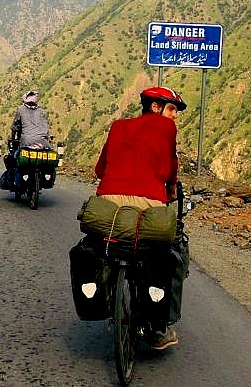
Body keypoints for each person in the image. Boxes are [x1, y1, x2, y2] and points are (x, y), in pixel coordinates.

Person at [94, 85, 187, 350]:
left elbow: (100, 170)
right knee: (168, 249)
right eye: (172, 109)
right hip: (148, 202)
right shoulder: (167, 129)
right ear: (155, 107)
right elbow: (170, 172)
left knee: (106, 246)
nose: (175, 116)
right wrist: (168, 193)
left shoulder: (117, 125)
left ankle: (110, 294)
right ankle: (159, 327)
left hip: (108, 202)